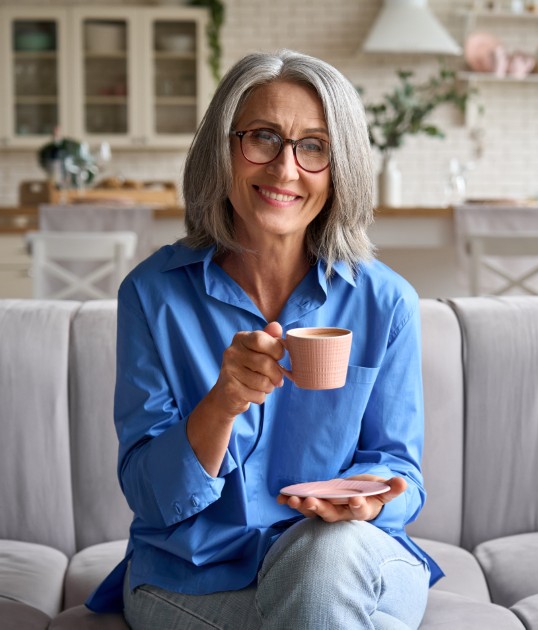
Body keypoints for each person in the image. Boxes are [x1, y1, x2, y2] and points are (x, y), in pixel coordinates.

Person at [86, 49, 442, 629]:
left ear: (340, 165)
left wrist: (371, 499)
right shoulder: (152, 296)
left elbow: (400, 468)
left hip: (347, 552)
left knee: (323, 562)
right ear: (223, 152)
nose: (285, 169)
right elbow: (152, 497)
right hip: (195, 574)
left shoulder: (387, 302)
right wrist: (222, 402)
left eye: (314, 147)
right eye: (263, 138)